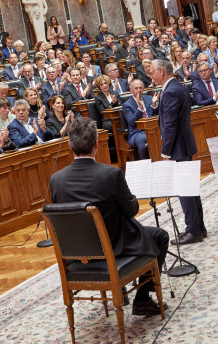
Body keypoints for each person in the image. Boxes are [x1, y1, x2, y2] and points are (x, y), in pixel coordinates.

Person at [50, 117, 169, 316]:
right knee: (160, 236)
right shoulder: (111, 174)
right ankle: (142, 300)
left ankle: (121, 289)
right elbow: (131, 210)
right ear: (96, 144)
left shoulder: (56, 180)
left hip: (76, 253)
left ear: (70, 146)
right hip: (113, 247)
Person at [150, 59, 203, 245]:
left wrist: (166, 152)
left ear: (161, 71)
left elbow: (170, 125)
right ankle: (199, 228)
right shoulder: (177, 87)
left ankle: (193, 231)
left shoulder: (171, 91)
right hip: (184, 145)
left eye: (152, 71)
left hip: (178, 148)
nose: (150, 75)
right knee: (191, 188)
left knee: (185, 190)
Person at [122, 80, 158, 160]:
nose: (139, 90)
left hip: (152, 128)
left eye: (140, 88)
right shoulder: (127, 105)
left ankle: (159, 160)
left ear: (143, 88)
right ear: (131, 89)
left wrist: (154, 105)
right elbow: (131, 122)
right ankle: (145, 165)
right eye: (136, 88)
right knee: (144, 140)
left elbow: (154, 116)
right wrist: (140, 108)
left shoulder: (149, 99)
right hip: (137, 132)